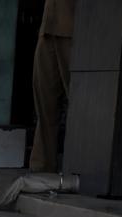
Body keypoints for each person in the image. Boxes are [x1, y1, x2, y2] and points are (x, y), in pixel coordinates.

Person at [29, 0, 75, 173]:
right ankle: (42, 165)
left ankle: (81, 166)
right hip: (48, 27)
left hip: (76, 27)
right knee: (44, 103)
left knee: (81, 103)